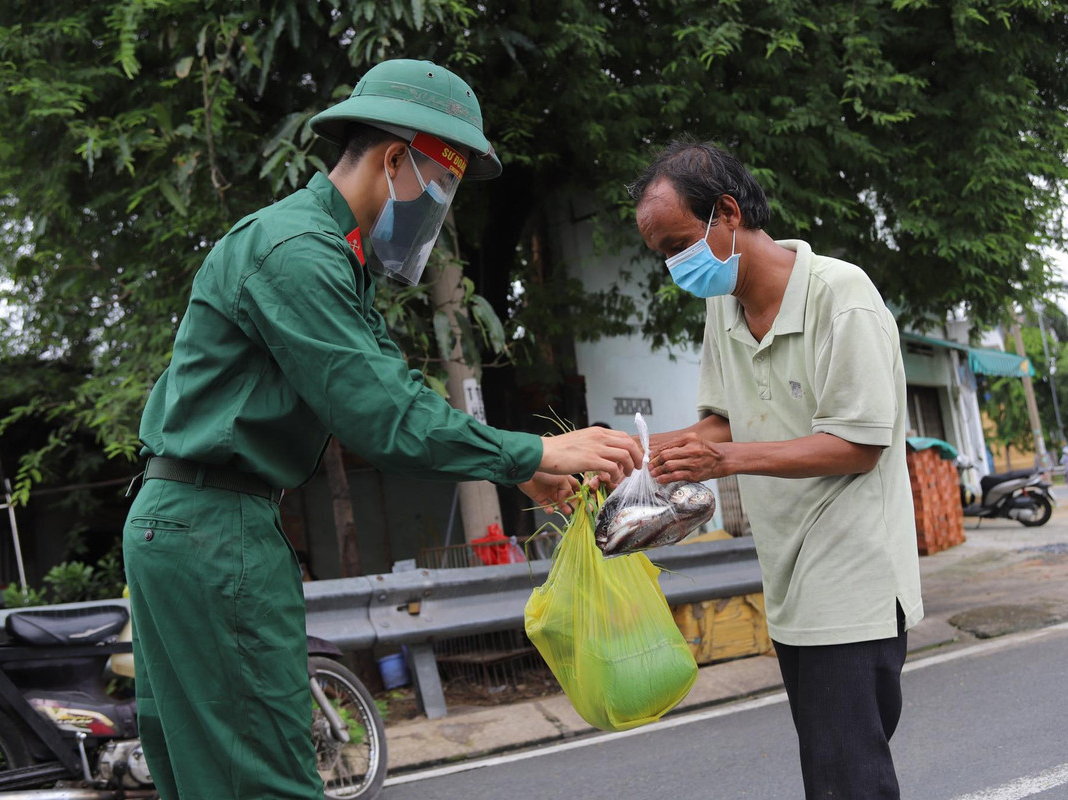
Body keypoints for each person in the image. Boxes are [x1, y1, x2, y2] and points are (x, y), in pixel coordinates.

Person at [122, 59, 642, 800]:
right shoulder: (298, 252)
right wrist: (532, 449)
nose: (442, 206)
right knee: (263, 780)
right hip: (213, 531)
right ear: (398, 159)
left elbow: (388, 396)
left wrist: (521, 470)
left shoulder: (332, 257)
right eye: (445, 184)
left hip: (198, 526)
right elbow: (382, 413)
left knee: (209, 779)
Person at [628, 139, 922, 799]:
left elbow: (858, 444)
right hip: (786, 574)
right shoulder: (722, 307)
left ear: (726, 212)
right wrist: (642, 456)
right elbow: (726, 421)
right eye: (661, 254)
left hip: (853, 576)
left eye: (677, 243)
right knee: (841, 768)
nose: (673, 265)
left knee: (846, 780)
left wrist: (722, 459)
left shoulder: (839, 295)